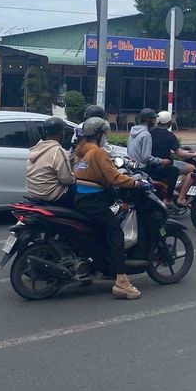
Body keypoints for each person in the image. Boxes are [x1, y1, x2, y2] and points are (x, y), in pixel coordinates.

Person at [72, 117, 143, 300]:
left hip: (81, 199)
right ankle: (122, 282)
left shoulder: (81, 152)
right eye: (104, 134)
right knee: (116, 234)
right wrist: (136, 183)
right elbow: (114, 177)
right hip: (94, 201)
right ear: (98, 135)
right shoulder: (98, 153)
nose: (105, 137)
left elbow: (85, 173)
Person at [127, 108, 180, 201]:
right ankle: (168, 200)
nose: (155, 121)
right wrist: (161, 161)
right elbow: (146, 157)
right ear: (149, 120)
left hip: (132, 166)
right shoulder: (146, 134)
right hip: (143, 168)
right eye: (154, 119)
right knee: (174, 170)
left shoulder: (133, 132)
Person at [151, 110, 196, 205]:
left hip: (152, 164)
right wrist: (194, 154)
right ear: (169, 123)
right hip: (166, 165)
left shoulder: (150, 133)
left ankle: (176, 189)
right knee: (192, 169)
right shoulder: (169, 135)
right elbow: (180, 154)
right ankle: (181, 198)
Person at [25, 116, 75, 207]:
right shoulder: (57, 151)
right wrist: (74, 177)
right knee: (77, 186)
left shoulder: (36, 148)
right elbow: (66, 179)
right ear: (61, 133)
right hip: (51, 196)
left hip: (33, 194)